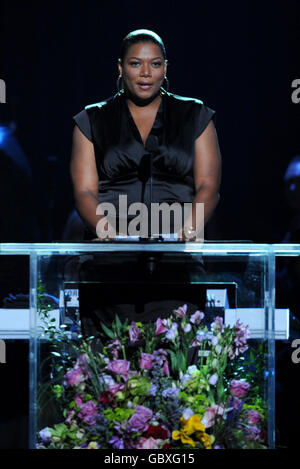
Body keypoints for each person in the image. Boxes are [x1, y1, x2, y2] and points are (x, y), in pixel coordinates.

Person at [70, 29, 222, 336]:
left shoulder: (195, 114)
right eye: (135, 63)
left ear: (166, 67)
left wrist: (190, 227)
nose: (145, 73)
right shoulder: (91, 119)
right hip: (109, 266)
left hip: (176, 265)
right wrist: (103, 227)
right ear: (120, 67)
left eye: (154, 64)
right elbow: (84, 191)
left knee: (177, 371)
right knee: (111, 372)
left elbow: (209, 185)